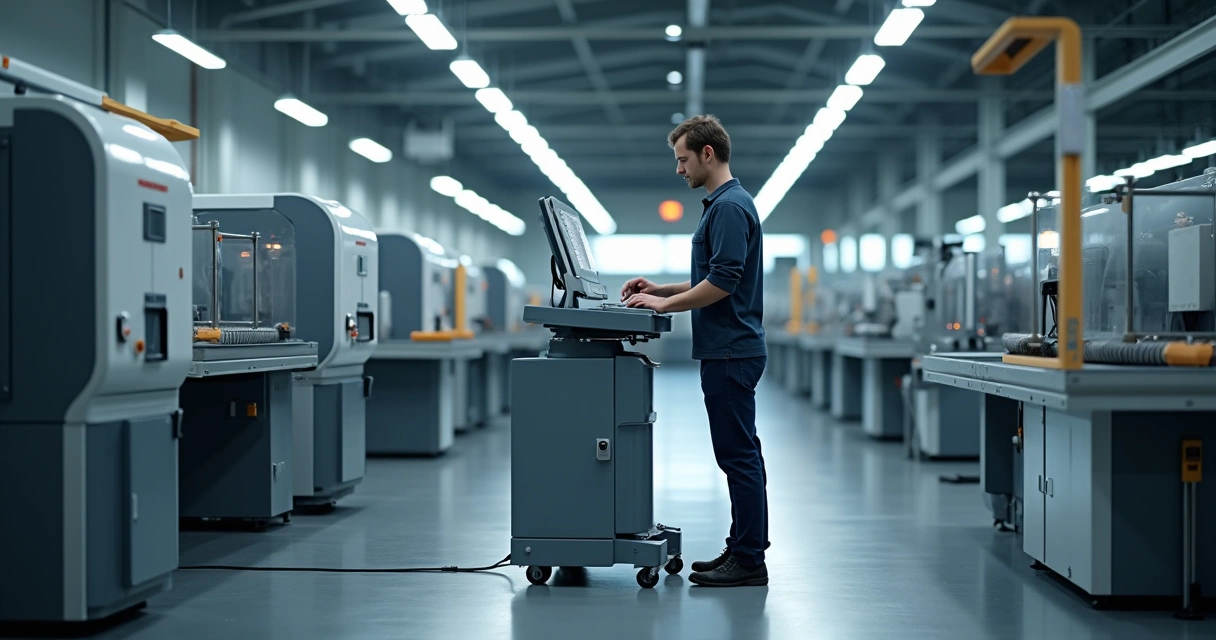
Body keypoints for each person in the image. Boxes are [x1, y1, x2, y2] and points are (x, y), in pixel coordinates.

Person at [622, 114, 769, 587]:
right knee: (741, 453)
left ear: (708, 154)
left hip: (730, 351)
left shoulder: (727, 208)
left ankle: (748, 560)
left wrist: (665, 303)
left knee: (738, 456)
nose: (679, 169)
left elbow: (723, 284)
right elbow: (717, 276)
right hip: (731, 350)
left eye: (683, 160)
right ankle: (744, 547)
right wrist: (660, 288)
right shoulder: (727, 204)